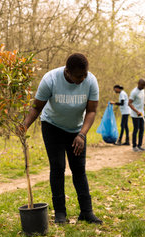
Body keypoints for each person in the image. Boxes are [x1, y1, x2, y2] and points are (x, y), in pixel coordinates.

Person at [20, 53, 102, 225]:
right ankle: (60, 214)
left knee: (79, 169)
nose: (83, 78)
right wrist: (24, 126)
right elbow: (36, 107)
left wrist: (82, 134)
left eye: (85, 74)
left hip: (77, 131)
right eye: (79, 76)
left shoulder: (91, 81)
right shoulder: (50, 80)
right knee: (57, 167)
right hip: (52, 127)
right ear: (67, 72)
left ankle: (86, 212)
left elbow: (92, 111)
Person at [128, 79, 145, 152]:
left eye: (144, 86)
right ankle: (134, 146)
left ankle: (140, 145)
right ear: (138, 83)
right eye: (142, 85)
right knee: (136, 130)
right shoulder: (134, 92)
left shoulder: (142, 91)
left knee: (142, 130)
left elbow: (141, 101)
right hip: (135, 115)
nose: (143, 87)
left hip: (142, 114)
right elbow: (129, 103)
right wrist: (136, 111)